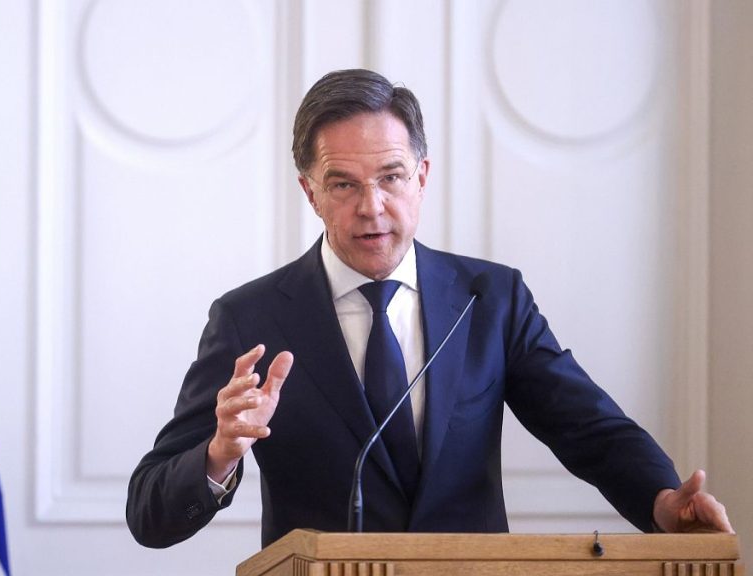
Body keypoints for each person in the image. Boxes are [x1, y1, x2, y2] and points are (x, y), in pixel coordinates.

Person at [126, 69, 732, 549]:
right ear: (310, 192)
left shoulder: (491, 299)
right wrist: (219, 454)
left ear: (422, 176)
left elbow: (588, 427)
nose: (372, 207)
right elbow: (149, 513)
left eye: (391, 177)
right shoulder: (250, 319)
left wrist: (661, 500)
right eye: (343, 184)